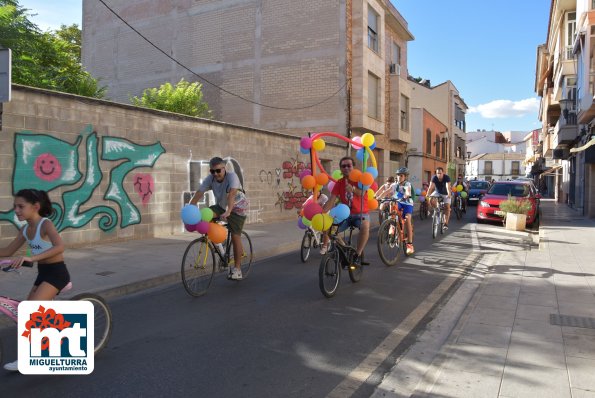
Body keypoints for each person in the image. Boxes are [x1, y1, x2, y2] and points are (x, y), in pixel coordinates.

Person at [0, 189, 70, 372]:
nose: (16, 210)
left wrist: (32, 258)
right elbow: (8, 251)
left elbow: (60, 246)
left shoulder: (45, 224)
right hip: (43, 273)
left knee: (31, 312)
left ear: (35, 206)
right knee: (26, 313)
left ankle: (27, 359)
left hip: (57, 273)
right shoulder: (25, 229)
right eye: (15, 206)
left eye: (21, 206)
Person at [190, 157, 249, 280]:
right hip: (222, 206)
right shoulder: (210, 179)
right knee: (206, 215)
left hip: (238, 208)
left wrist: (228, 211)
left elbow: (232, 194)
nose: (215, 174)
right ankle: (220, 242)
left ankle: (237, 270)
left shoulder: (232, 177)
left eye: (218, 171)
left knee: (235, 235)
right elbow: (200, 192)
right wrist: (191, 206)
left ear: (224, 169)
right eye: (212, 171)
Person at [322, 156, 370, 266]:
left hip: (360, 214)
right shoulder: (339, 183)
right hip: (345, 216)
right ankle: (345, 249)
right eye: (343, 166)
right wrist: (322, 212)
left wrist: (353, 189)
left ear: (354, 167)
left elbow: (362, 193)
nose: (346, 168)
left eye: (349, 165)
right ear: (341, 168)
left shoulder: (360, 180)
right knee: (330, 231)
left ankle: (357, 255)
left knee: (365, 226)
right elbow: (331, 200)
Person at [390, 167, 415, 255]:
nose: (399, 177)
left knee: (407, 219)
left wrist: (406, 195)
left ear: (405, 177)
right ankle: (392, 225)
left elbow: (407, 192)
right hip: (399, 202)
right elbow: (387, 191)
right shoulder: (395, 184)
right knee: (392, 204)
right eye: (398, 175)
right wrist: (378, 197)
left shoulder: (407, 184)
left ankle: (410, 244)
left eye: (401, 175)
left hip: (408, 203)